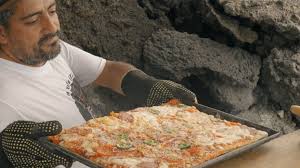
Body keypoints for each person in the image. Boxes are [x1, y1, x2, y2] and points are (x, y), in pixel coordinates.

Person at [0, 0, 197, 167]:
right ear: (2, 33)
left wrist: (145, 85)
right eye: (33, 20)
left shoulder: (49, 51)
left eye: (52, 11)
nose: (52, 27)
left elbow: (108, 71)